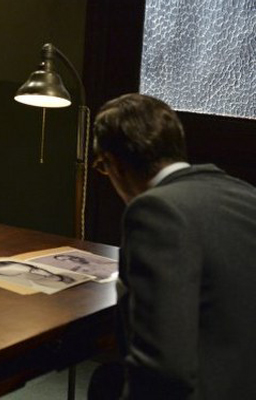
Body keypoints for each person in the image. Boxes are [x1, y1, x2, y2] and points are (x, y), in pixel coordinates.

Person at [88, 93, 256, 399]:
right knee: (108, 380)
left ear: (114, 164)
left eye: (102, 166)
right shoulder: (244, 194)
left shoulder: (155, 210)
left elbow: (163, 367)